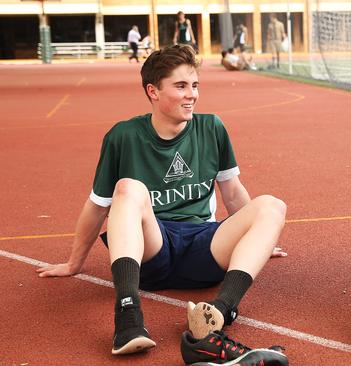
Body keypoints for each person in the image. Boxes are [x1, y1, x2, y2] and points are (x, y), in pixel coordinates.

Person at [36, 45, 288, 364]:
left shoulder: (212, 128)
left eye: (195, 85)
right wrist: (74, 263)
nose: (192, 95)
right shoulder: (123, 136)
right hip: (152, 248)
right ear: (153, 91)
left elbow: (234, 193)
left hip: (204, 248)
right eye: (181, 86)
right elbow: (98, 206)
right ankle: (128, 317)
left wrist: (258, 239)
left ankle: (219, 312)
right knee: (128, 188)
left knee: (272, 207)